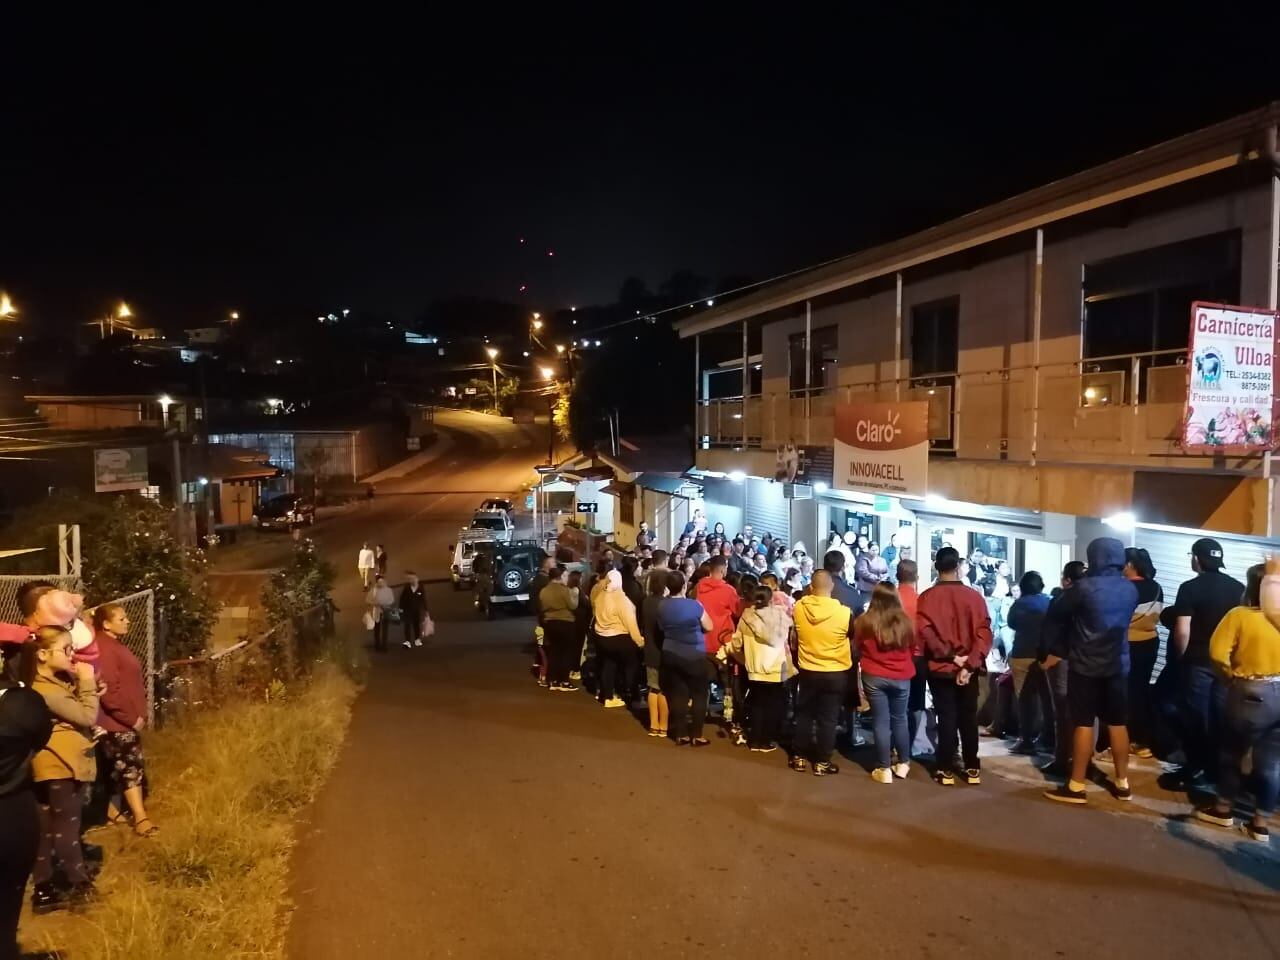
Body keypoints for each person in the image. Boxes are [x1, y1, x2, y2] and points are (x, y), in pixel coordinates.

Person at [1041, 538, 1138, 804]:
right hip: (1118, 665)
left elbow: (1057, 612)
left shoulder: (1084, 588)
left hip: (1085, 665)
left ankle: (1076, 785)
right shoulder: (1130, 589)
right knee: (1118, 723)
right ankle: (1122, 783)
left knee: (1083, 723)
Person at [1196, 562, 1280, 841]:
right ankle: (1260, 823)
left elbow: (1217, 653)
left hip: (1251, 691)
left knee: (1233, 751)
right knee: (1272, 762)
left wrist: (1229, 678)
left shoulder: (1240, 615)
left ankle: (1223, 809)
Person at [21, 625, 99, 913]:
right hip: (61, 763)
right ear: (42, 654)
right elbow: (87, 716)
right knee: (67, 826)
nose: (72, 654)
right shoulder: (46, 690)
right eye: (66, 649)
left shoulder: (43, 684)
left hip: (45, 763)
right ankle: (80, 885)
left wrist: (83, 687)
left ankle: (44, 890)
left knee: (44, 828)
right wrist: (88, 683)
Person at [1160, 537, 1244, 787]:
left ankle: (1196, 768)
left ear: (1197, 559)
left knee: (1197, 717)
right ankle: (1218, 771)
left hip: (1197, 662)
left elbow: (1182, 630)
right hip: (1226, 663)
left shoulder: (1190, 588)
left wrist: (1180, 658)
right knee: (1221, 717)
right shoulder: (1238, 588)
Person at [917, 546, 993, 786]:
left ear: (936, 567)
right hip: (969, 669)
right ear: (958, 567)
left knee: (946, 717)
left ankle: (945, 768)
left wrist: (951, 657)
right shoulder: (975, 597)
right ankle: (972, 768)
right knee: (968, 718)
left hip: (940, 667)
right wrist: (969, 665)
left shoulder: (927, 598)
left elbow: (926, 633)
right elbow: (984, 634)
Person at [0, 663, 52, 955]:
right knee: (7, 910)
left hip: (15, 814)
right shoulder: (25, 705)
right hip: (14, 811)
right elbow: (40, 738)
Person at [92, 604, 157, 837]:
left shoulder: (113, 645)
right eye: (121, 618)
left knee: (116, 768)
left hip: (120, 721)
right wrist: (130, 718)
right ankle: (141, 818)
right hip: (117, 722)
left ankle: (113, 812)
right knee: (130, 768)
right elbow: (108, 690)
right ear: (106, 624)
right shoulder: (105, 648)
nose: (127, 621)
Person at [790, 571, 853, 776]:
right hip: (835, 670)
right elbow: (851, 636)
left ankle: (799, 757)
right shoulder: (844, 613)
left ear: (810, 587)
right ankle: (822, 762)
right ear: (832, 587)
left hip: (808, 669)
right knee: (829, 718)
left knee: (804, 714)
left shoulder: (799, 608)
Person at [857, 583, 916, 783]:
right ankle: (903, 763)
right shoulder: (906, 622)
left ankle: (884, 768)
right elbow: (912, 648)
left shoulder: (864, 621)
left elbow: (857, 646)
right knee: (900, 718)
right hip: (902, 675)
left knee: (880, 721)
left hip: (873, 675)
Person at [726, 584, 794, 753]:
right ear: (771, 599)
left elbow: (736, 644)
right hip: (776, 668)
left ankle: (755, 741)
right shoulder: (781, 617)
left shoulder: (747, 617)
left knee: (757, 704)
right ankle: (766, 740)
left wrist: (742, 658)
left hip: (755, 668)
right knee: (772, 705)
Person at [1038, 560, 1087, 776]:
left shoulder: (1063, 599)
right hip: (1089, 661)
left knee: (1063, 712)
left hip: (1062, 660)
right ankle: (1084, 760)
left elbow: (1052, 631)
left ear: (1067, 580)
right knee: (1086, 714)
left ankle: (1062, 759)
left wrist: (1047, 657)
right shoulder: (1093, 597)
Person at [659, 571, 715, 745]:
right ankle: (696, 735)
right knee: (699, 694)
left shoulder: (662, 605)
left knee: (678, 693)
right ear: (684, 586)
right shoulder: (694, 605)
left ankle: (681, 734)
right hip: (693, 654)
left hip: (670, 652)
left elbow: (661, 627)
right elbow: (709, 626)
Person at [1123, 547, 1163, 758]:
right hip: (1150, 643)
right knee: (1140, 691)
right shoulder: (1156, 587)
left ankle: (1124, 740)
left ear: (1129, 565)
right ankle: (1142, 741)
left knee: (1124, 694)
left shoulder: (1125, 588)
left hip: (1128, 644)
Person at [1006, 572, 1051, 755]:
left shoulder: (1019, 604)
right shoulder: (1048, 602)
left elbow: (1011, 623)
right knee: (1046, 698)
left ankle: (1026, 740)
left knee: (1025, 699)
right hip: (1044, 655)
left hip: (1022, 654)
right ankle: (1048, 737)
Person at [897, 560, 934, 759]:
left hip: (893, 657)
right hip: (918, 657)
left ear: (897, 576)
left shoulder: (890, 600)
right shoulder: (922, 601)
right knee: (916, 704)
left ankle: (896, 745)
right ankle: (910, 744)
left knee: (895, 705)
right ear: (917, 577)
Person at [591, 570, 644, 708]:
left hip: (602, 637)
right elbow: (631, 624)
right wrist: (639, 641)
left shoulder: (600, 596)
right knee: (631, 665)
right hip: (620, 638)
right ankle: (633, 695)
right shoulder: (621, 600)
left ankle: (607, 696)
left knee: (609, 664)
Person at [540, 566, 580, 692]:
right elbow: (573, 606)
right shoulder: (564, 590)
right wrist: (575, 595)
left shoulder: (544, 591)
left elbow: (542, 607)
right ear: (559, 577)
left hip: (550, 623)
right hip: (566, 622)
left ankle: (552, 680)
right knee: (566, 653)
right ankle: (564, 681)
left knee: (554, 652)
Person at [640, 572, 669, 736]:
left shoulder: (646, 602)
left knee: (653, 688)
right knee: (664, 689)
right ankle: (663, 726)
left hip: (649, 650)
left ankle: (653, 724)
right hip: (663, 651)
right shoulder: (665, 604)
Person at [365, 575, 396, 653]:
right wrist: (375, 603)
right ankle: (377, 645)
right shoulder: (373, 590)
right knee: (377, 629)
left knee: (385, 629)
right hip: (377, 611)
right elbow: (368, 600)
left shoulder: (388, 590)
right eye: (379, 582)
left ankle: (384, 646)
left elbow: (391, 599)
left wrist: (385, 604)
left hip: (386, 611)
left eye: (382, 581)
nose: (381, 583)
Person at [399, 572, 429, 650]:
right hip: (407, 610)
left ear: (417, 579)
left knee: (416, 625)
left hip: (416, 610)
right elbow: (402, 599)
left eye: (414, 578)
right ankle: (407, 641)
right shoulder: (406, 588)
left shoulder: (420, 588)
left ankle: (417, 639)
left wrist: (426, 610)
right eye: (410, 579)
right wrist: (400, 609)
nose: (412, 580)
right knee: (407, 625)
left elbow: (423, 599)